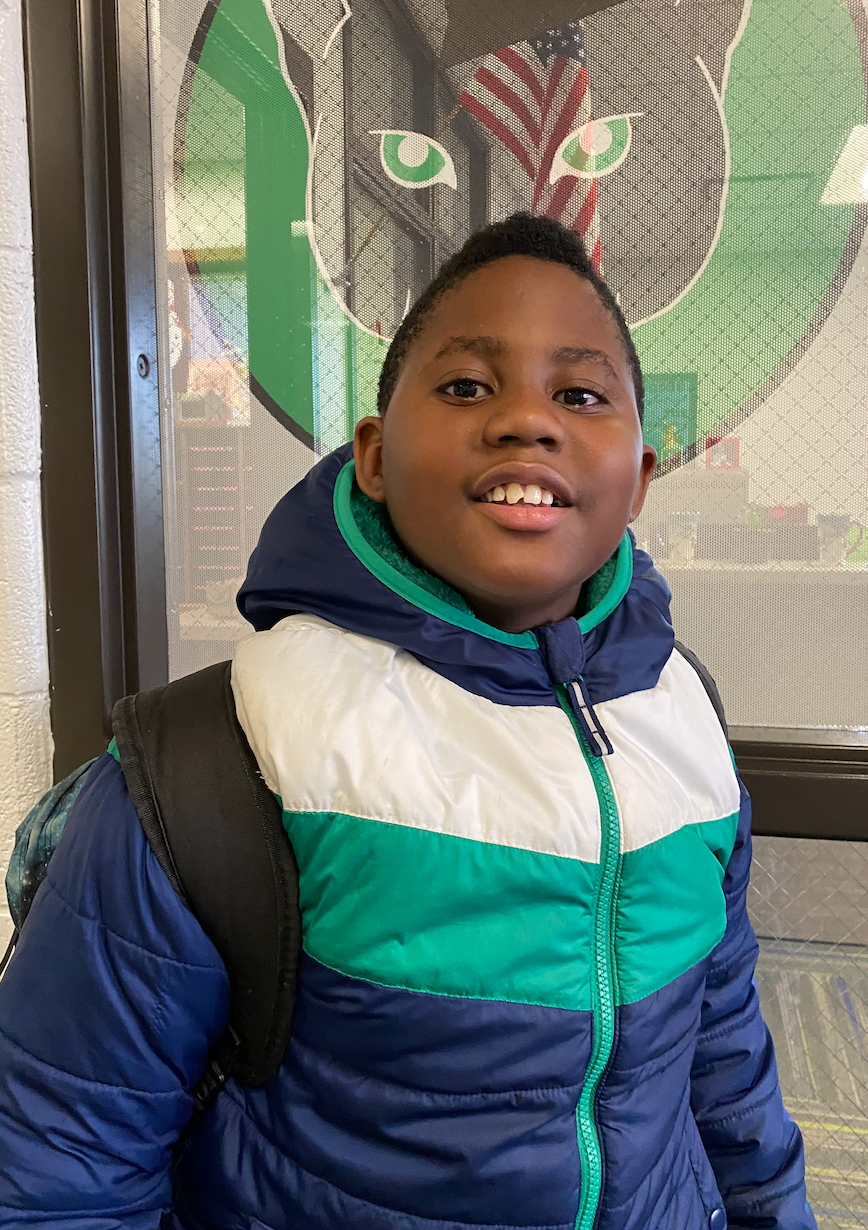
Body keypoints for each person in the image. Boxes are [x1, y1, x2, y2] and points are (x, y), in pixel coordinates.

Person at [0, 213, 814, 1230]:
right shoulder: (219, 760)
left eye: (579, 394)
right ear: (375, 457)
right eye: (467, 386)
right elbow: (61, 1162)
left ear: (640, 476)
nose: (527, 421)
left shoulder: (680, 718)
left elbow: (724, 1054)